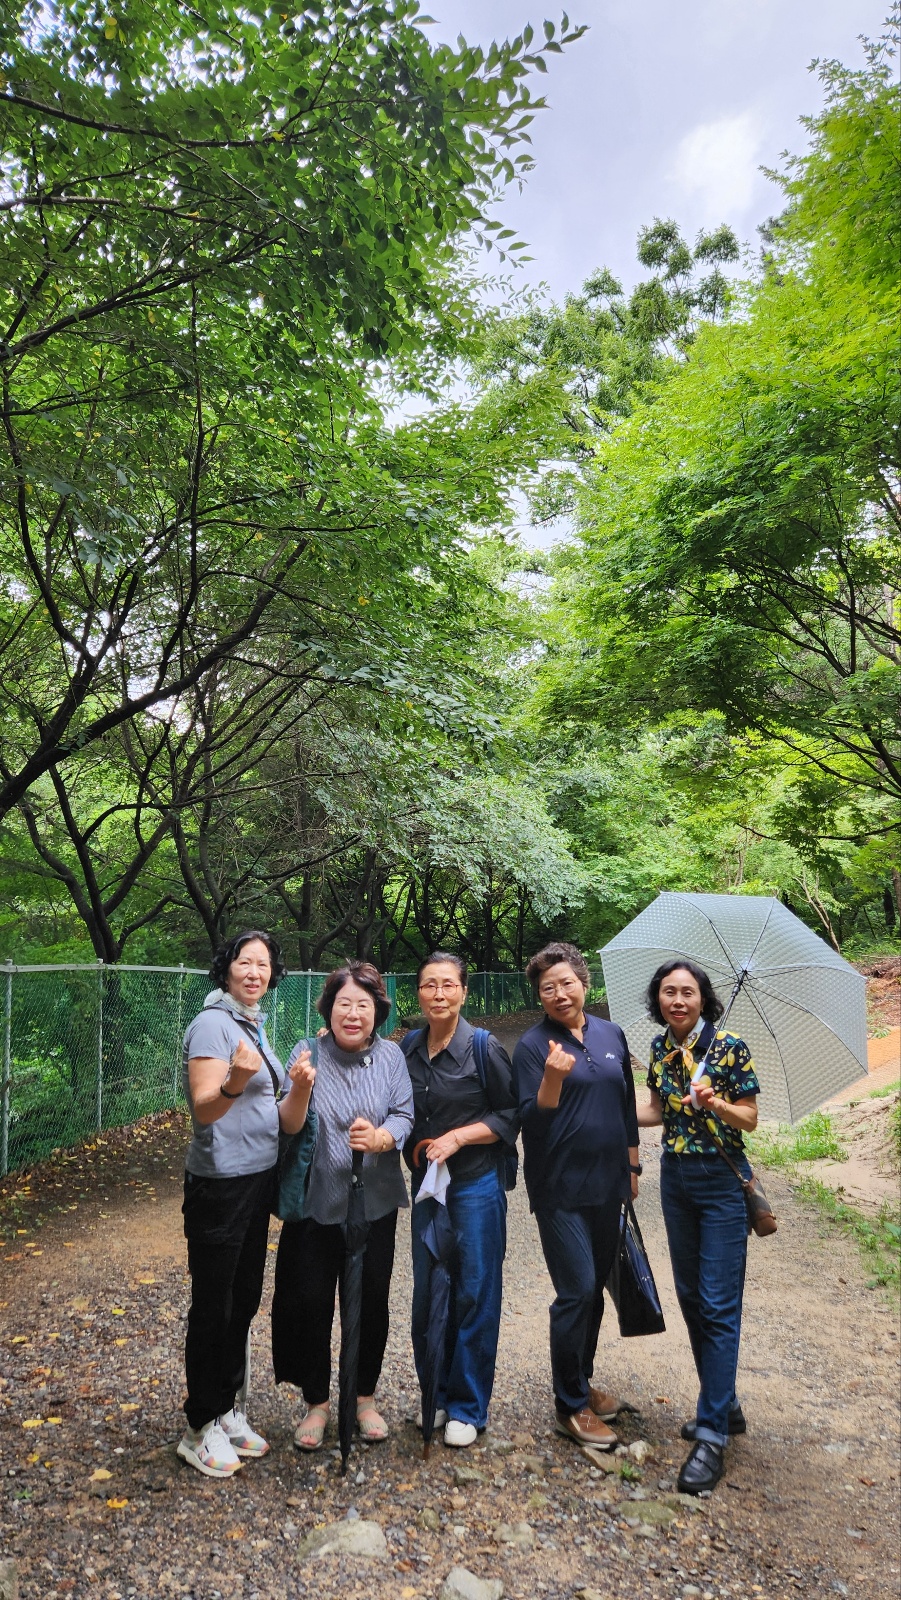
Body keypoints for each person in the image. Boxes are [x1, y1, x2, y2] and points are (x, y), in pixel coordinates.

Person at [178, 930, 315, 1478]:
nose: (255, 972)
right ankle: (200, 1425)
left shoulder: (251, 1024)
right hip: (220, 1186)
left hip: (257, 1180)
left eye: (264, 964)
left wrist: (299, 1086)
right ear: (227, 968)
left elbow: (280, 1118)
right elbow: (205, 1109)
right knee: (214, 1302)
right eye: (245, 962)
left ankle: (226, 1406)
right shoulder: (212, 1024)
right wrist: (236, 1079)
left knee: (243, 1298)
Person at [271, 960, 414, 1450]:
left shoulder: (391, 1058)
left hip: (374, 1204)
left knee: (370, 1301)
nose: (353, 1014)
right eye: (343, 1004)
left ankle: (364, 1398)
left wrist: (381, 1138)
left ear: (378, 1011)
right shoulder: (306, 1052)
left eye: (363, 1005)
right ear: (328, 1009)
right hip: (316, 1203)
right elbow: (287, 1125)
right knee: (311, 1302)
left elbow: (404, 1114)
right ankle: (317, 1403)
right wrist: (300, 1088)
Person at [637, 959, 760, 1494]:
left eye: (687, 992)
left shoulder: (729, 1047)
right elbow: (656, 1111)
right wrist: (598, 1104)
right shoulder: (660, 1048)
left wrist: (716, 1103)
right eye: (669, 992)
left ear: (703, 998)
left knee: (717, 1302)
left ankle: (711, 1435)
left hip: (721, 1183)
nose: (678, 1000)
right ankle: (724, 1403)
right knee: (689, 1296)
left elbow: (750, 1117)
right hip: (676, 1179)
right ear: (658, 1000)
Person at [512, 941, 640, 1449]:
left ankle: (581, 1383)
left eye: (566, 983)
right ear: (540, 996)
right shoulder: (532, 1046)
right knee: (578, 1289)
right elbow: (529, 1118)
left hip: (610, 1184)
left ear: (583, 982)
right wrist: (552, 1078)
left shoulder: (611, 1034)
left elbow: (626, 1104)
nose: (560, 993)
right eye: (548, 988)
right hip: (559, 1187)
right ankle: (569, 1405)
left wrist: (633, 1164)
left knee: (596, 1291)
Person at [402, 952, 519, 1448]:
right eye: (429, 984)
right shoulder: (408, 1047)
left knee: (474, 1292)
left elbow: (510, 1116)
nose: (439, 994)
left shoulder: (483, 1047)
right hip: (428, 1187)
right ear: (418, 992)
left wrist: (459, 1137)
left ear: (464, 992)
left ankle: (468, 1406)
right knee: (428, 1292)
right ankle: (436, 1394)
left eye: (448, 984)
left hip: (474, 1184)